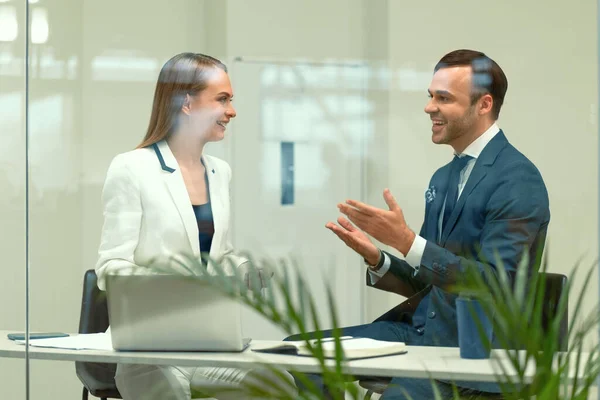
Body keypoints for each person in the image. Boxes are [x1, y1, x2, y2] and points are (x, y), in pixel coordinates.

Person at [313, 49, 550, 399]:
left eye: (443, 98)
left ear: (483, 105)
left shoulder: (518, 180)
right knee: (301, 354)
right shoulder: (443, 177)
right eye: (430, 96)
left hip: (476, 352)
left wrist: (408, 242)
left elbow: (496, 284)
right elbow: (430, 277)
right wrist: (380, 258)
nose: (429, 108)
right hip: (422, 335)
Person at [95, 53, 287, 400]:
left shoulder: (219, 172)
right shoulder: (131, 168)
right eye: (223, 99)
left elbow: (217, 255)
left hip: (209, 345)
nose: (232, 111)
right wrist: (177, 283)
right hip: (148, 349)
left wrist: (243, 269)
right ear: (186, 103)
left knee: (281, 384)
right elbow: (111, 267)